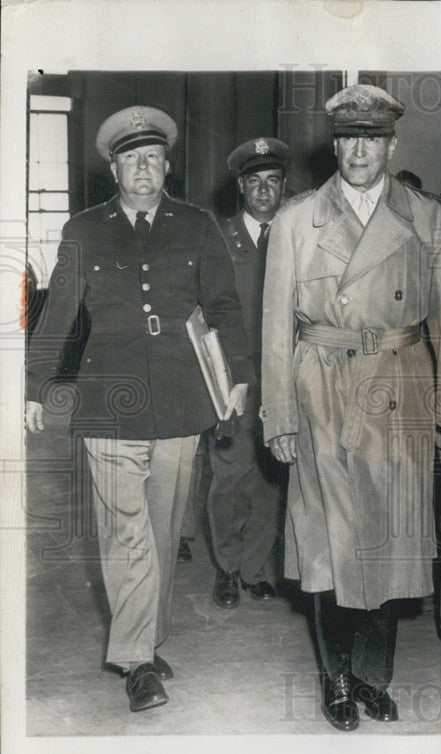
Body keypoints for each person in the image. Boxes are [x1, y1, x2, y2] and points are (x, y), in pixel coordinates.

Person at [260, 85, 441, 731]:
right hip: (321, 388)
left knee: (391, 541)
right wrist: (279, 413)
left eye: (371, 138)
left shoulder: (426, 216)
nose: (358, 150)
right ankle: (336, 679)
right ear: (335, 144)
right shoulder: (298, 218)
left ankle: (373, 677)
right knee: (329, 544)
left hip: (400, 387)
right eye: (348, 138)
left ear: (391, 144)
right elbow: (275, 326)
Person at [25, 106, 251, 712]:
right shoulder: (83, 230)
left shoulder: (198, 225)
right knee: (124, 533)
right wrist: (34, 385)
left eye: (152, 157)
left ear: (167, 165)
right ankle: (138, 662)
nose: (143, 167)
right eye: (131, 158)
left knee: (161, 527)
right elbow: (58, 314)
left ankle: (146, 637)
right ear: (114, 169)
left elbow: (225, 308)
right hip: (109, 399)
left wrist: (238, 379)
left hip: (182, 397)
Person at [207, 137, 291, 608]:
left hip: (282, 374)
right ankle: (227, 567)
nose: (263, 191)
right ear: (241, 186)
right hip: (233, 377)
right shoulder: (219, 237)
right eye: (254, 182)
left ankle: (257, 567)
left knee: (272, 475)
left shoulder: (296, 234)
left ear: (284, 187)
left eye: (272, 182)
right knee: (229, 475)